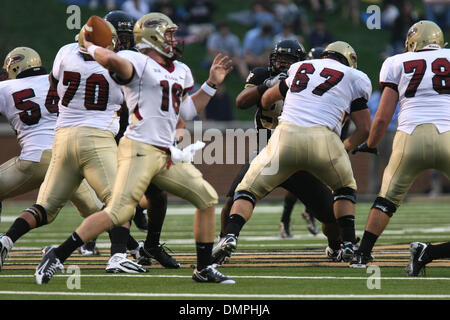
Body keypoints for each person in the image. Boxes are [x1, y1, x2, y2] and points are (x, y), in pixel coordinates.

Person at [35, 13, 235, 285]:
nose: (174, 40)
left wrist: (211, 85)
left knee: (207, 198)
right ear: (153, 37)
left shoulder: (180, 70)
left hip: (164, 153)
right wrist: (93, 46)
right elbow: (112, 60)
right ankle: (57, 255)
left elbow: (187, 110)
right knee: (117, 212)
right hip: (139, 149)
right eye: (168, 35)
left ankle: (203, 268)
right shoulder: (137, 62)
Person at [213, 41, 372, 265]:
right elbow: (241, 101)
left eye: (289, 60)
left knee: (328, 216)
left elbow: (271, 99)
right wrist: (266, 85)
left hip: (285, 146)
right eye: (280, 58)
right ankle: (224, 242)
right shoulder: (265, 74)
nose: (282, 63)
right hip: (270, 145)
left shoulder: (300, 74)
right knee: (232, 199)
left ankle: (336, 246)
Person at [0, 47, 112, 271]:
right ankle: (135, 249)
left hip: (34, 160)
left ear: (14, 68)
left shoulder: (5, 87)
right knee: (98, 211)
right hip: (66, 158)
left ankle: (4, 243)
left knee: (43, 209)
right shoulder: (58, 79)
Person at [350, 20, 450, 268]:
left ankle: (362, 254)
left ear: (411, 43)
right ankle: (430, 253)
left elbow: (383, 116)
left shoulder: (396, 62)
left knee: (387, 199)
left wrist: (371, 144)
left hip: (409, 137)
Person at [102, 9, 180, 269]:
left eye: (126, 36)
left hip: (135, 133)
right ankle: (118, 252)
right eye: (118, 36)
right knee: (114, 197)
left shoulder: (138, 60)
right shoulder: (98, 60)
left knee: (157, 195)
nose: (123, 42)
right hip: (103, 136)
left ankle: (150, 245)